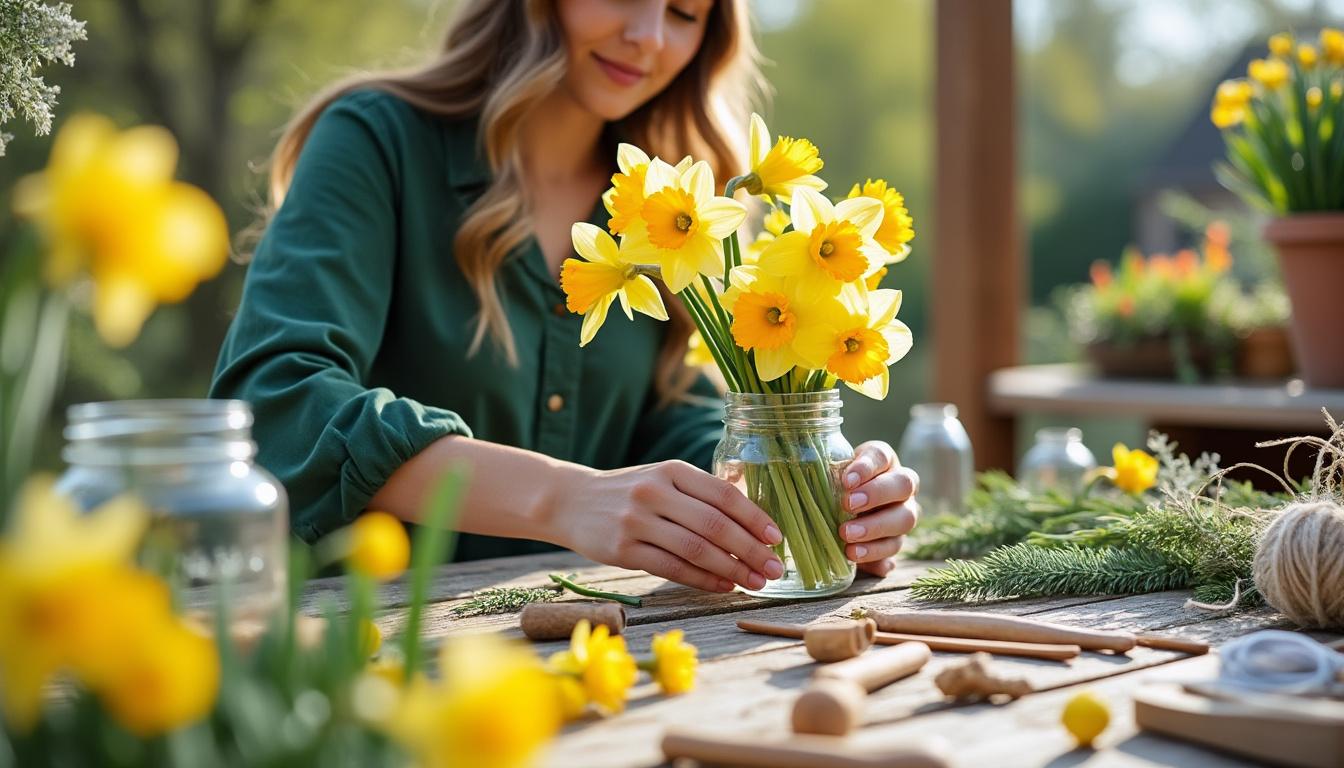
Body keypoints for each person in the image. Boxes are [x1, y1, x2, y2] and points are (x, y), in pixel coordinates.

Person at [210, 0, 919, 593]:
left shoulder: (669, 211)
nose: (648, 36)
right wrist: (562, 498)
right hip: (348, 646)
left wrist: (817, 495)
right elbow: (276, 401)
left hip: (578, 654)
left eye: (684, 12)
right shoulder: (376, 142)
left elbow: (675, 423)